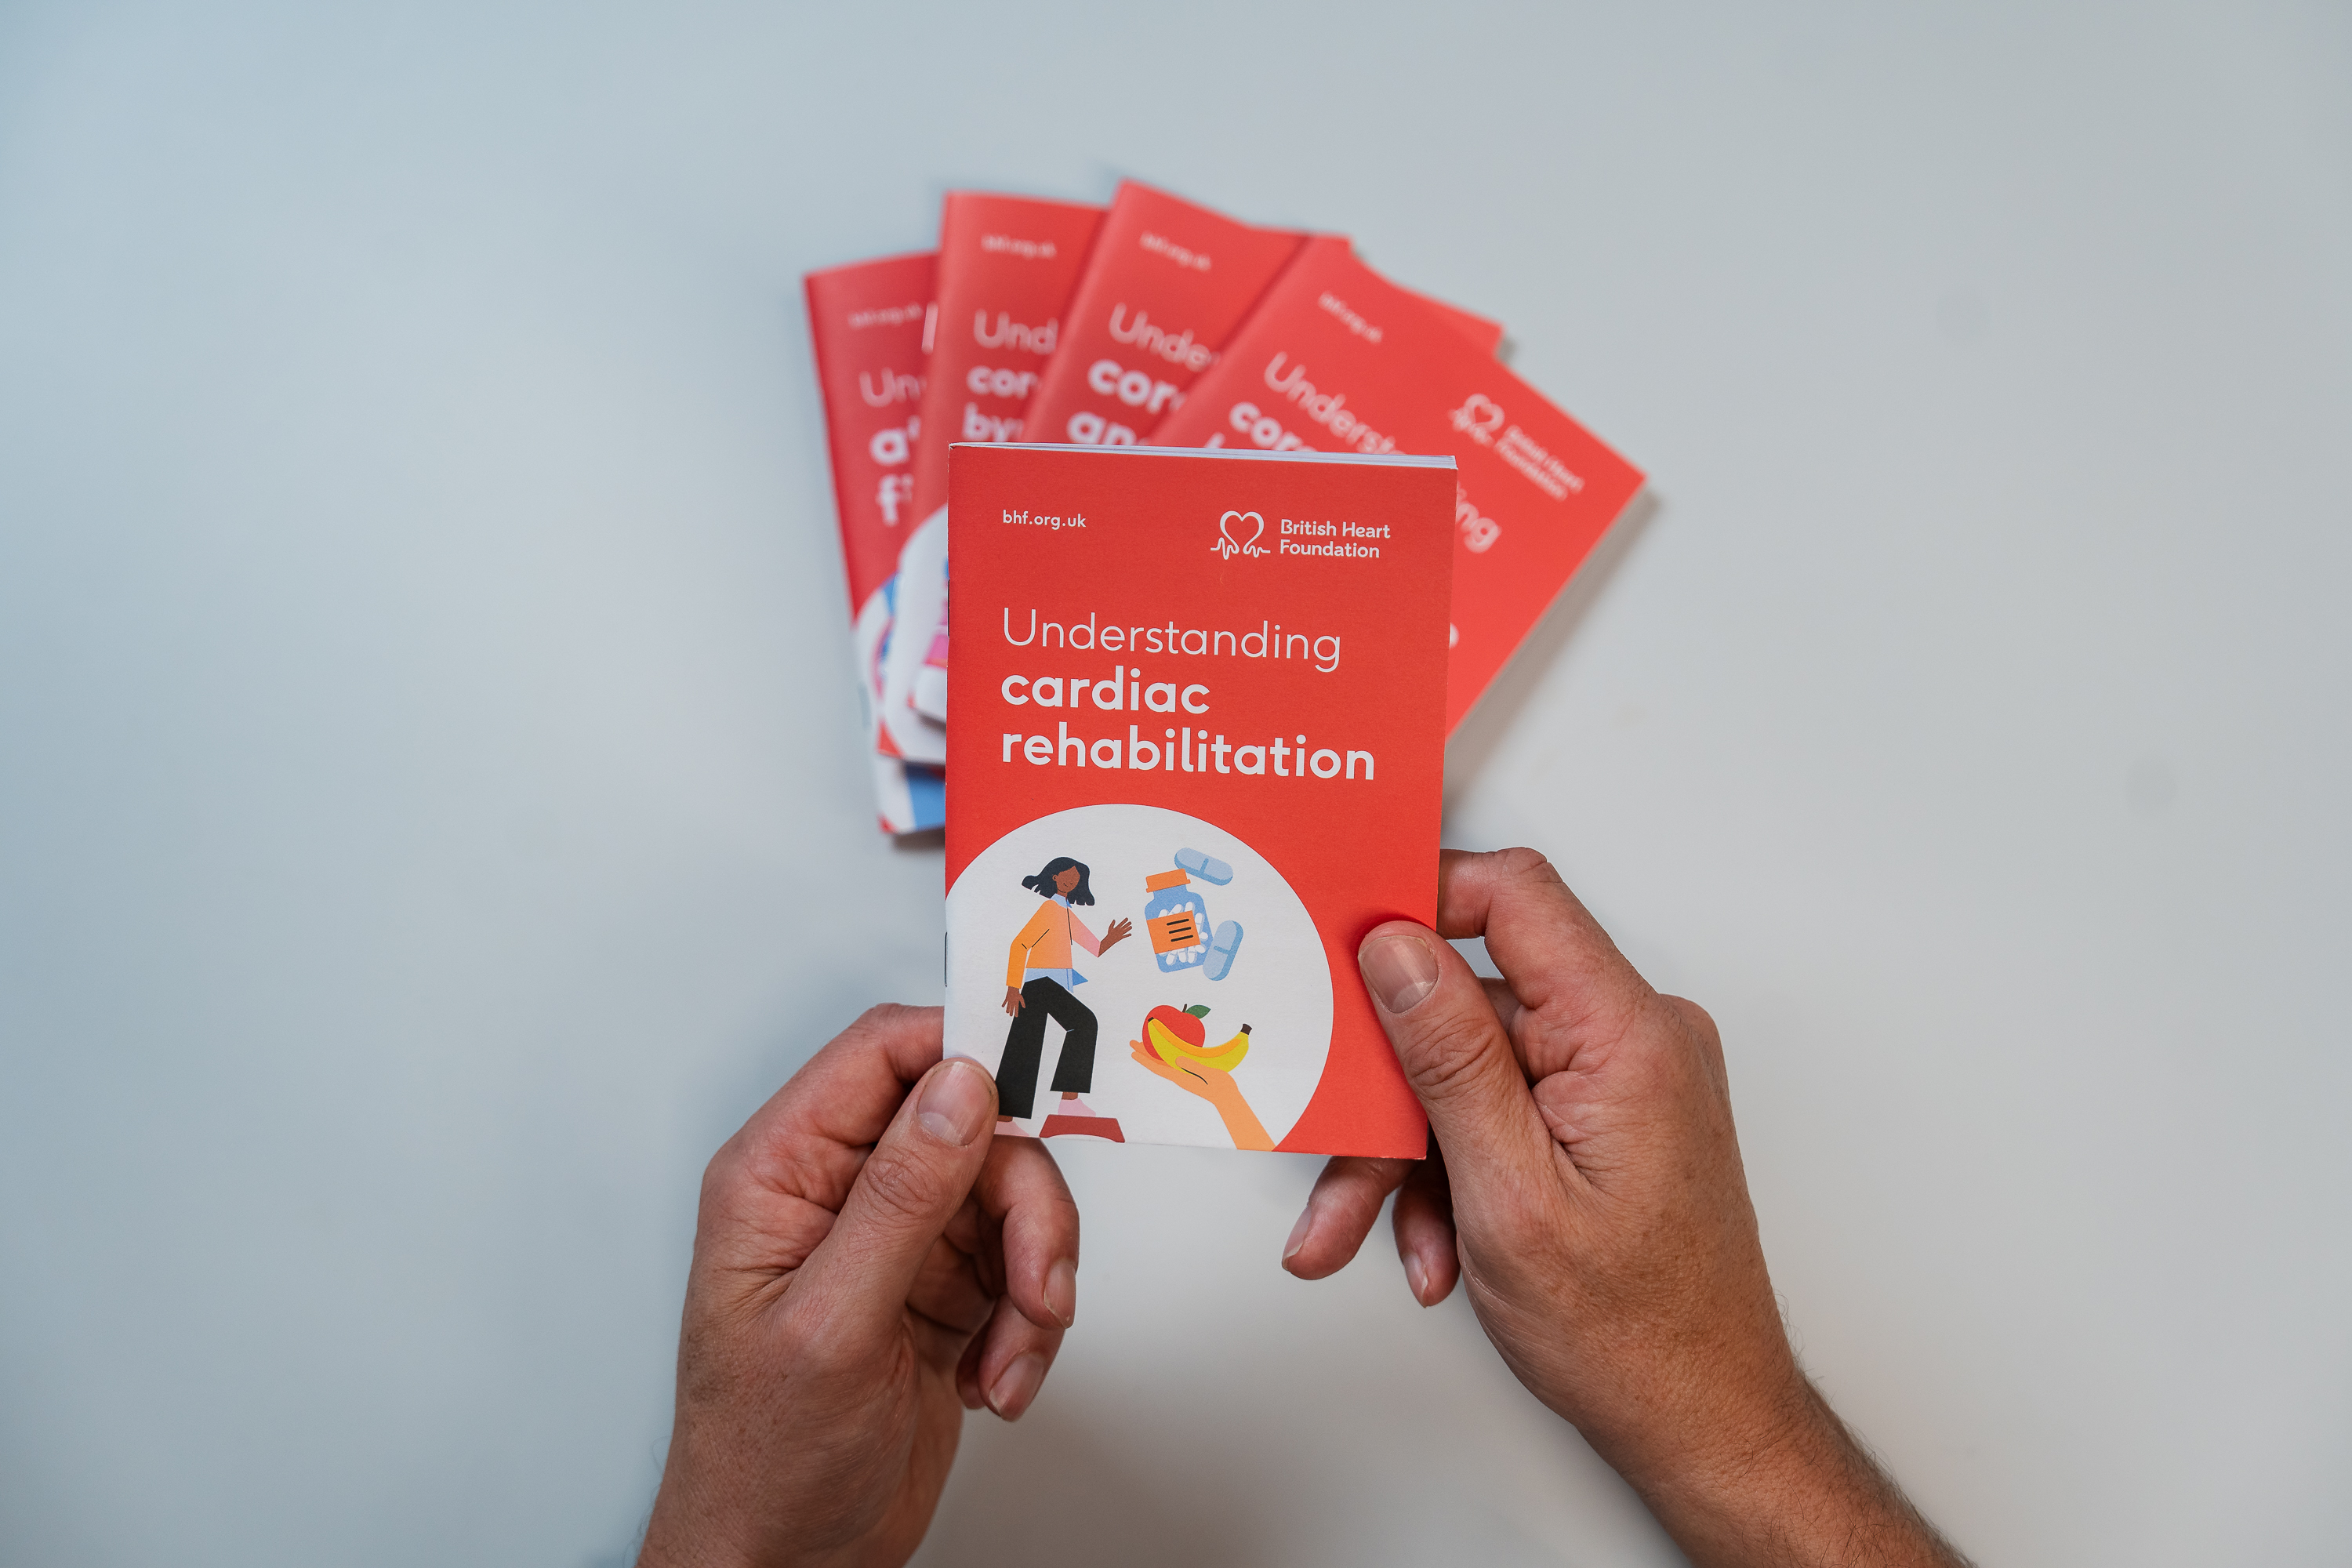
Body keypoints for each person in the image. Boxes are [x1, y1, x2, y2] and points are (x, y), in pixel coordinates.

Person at [636, 848, 1973, 1567]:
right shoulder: (1056, 941)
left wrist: (740, 1553)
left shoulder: (1093, 936)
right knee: (1047, 1050)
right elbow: (1063, 965)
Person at [995, 855, 1131, 1139]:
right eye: (1067, 875)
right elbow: (1020, 943)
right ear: (1054, 876)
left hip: (1048, 984)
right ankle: (1069, 1104)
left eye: (1077, 878)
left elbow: (1094, 947)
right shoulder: (1049, 908)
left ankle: (1006, 1118)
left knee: (1024, 1046)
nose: (1072, 880)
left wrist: (1111, 939)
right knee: (1083, 1024)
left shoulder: (1066, 912)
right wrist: (1012, 986)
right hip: (1041, 983)